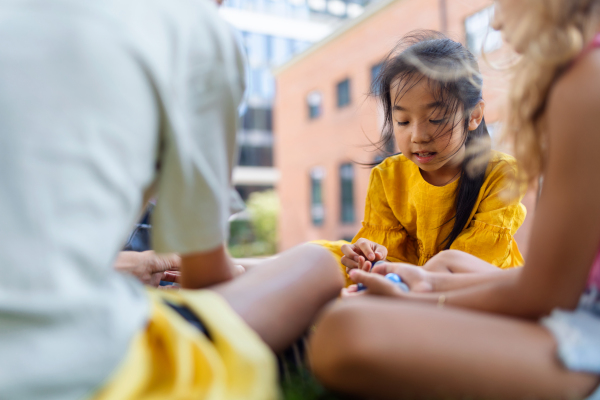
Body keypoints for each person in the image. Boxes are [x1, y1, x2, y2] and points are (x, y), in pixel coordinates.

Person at [0, 1, 343, 399]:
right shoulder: (194, 28)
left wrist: (118, 267)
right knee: (316, 263)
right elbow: (205, 280)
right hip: (70, 367)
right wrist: (259, 273)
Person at [308, 1, 600, 399]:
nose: (496, 20)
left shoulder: (584, 83)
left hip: (585, 327)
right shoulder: (580, 77)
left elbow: (547, 292)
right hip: (578, 303)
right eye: (404, 120)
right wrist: (424, 281)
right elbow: (559, 282)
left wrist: (426, 297)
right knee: (417, 267)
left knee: (344, 330)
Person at [314, 32, 526, 287]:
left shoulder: (501, 173)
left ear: (474, 115)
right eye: (402, 121)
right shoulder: (387, 175)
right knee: (318, 254)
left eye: (435, 119)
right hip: (405, 281)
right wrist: (369, 257)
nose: (418, 136)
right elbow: (390, 259)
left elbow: (468, 266)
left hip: (468, 290)